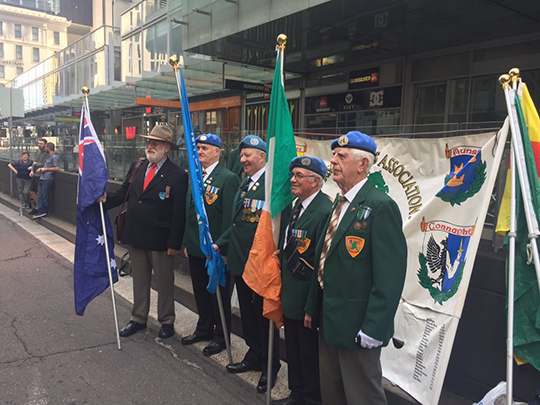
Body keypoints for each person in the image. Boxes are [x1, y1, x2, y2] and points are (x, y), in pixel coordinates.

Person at [304, 131, 407, 405]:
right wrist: (312, 308)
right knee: (332, 393)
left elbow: (390, 277)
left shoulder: (380, 206)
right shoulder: (338, 204)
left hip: (358, 326)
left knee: (362, 396)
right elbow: (324, 260)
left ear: (362, 165)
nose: (333, 161)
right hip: (329, 322)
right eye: (334, 155)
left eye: (342, 156)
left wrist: (374, 327)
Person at [98, 125, 188, 339]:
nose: (149, 146)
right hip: (136, 234)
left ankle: (166, 320)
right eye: (148, 142)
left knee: (164, 282)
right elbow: (124, 193)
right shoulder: (138, 166)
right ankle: (138, 318)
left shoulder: (177, 175)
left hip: (160, 238)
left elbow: (179, 213)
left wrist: (174, 243)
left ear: (166, 147)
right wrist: (106, 199)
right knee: (139, 279)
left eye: (154, 143)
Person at [214, 135, 280, 394]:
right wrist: (220, 243)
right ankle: (254, 354)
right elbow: (237, 223)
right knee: (249, 317)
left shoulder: (270, 185)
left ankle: (270, 365)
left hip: (259, 264)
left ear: (262, 157)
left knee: (262, 318)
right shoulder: (245, 184)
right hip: (241, 262)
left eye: (248, 155)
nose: (243, 160)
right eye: (241, 155)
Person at [274, 157, 333, 405]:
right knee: (294, 349)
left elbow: (323, 263)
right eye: (293, 175)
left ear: (315, 181)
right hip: (291, 293)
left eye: (299, 175)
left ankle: (310, 398)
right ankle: (296, 393)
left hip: (307, 295)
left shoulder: (324, 210)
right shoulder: (298, 206)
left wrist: (312, 305)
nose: (293, 180)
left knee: (309, 354)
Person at [182, 134, 240, 356]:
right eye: (197, 148)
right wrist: (187, 242)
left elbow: (229, 217)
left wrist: (223, 249)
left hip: (216, 250)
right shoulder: (196, 176)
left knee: (219, 294)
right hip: (197, 247)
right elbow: (191, 212)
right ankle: (204, 327)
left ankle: (220, 335)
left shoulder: (227, 178)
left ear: (217, 151)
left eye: (205, 148)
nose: (200, 151)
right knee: (200, 291)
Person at [32, 142, 59, 219]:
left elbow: (56, 168)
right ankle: (40, 210)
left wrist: (45, 169)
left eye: (46, 147)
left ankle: (44, 211)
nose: (45, 149)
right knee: (40, 195)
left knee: (45, 195)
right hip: (42, 177)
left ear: (48, 148)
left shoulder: (54, 157)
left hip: (48, 178)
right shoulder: (48, 157)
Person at [29, 138, 48, 213]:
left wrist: (37, 164)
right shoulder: (37, 152)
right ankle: (38, 205)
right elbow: (34, 162)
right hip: (35, 174)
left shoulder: (46, 153)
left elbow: (45, 164)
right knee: (31, 191)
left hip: (41, 175)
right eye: (38, 143)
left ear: (45, 145)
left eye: (41, 144)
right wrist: (32, 171)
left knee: (40, 193)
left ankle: (39, 207)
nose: (39, 145)